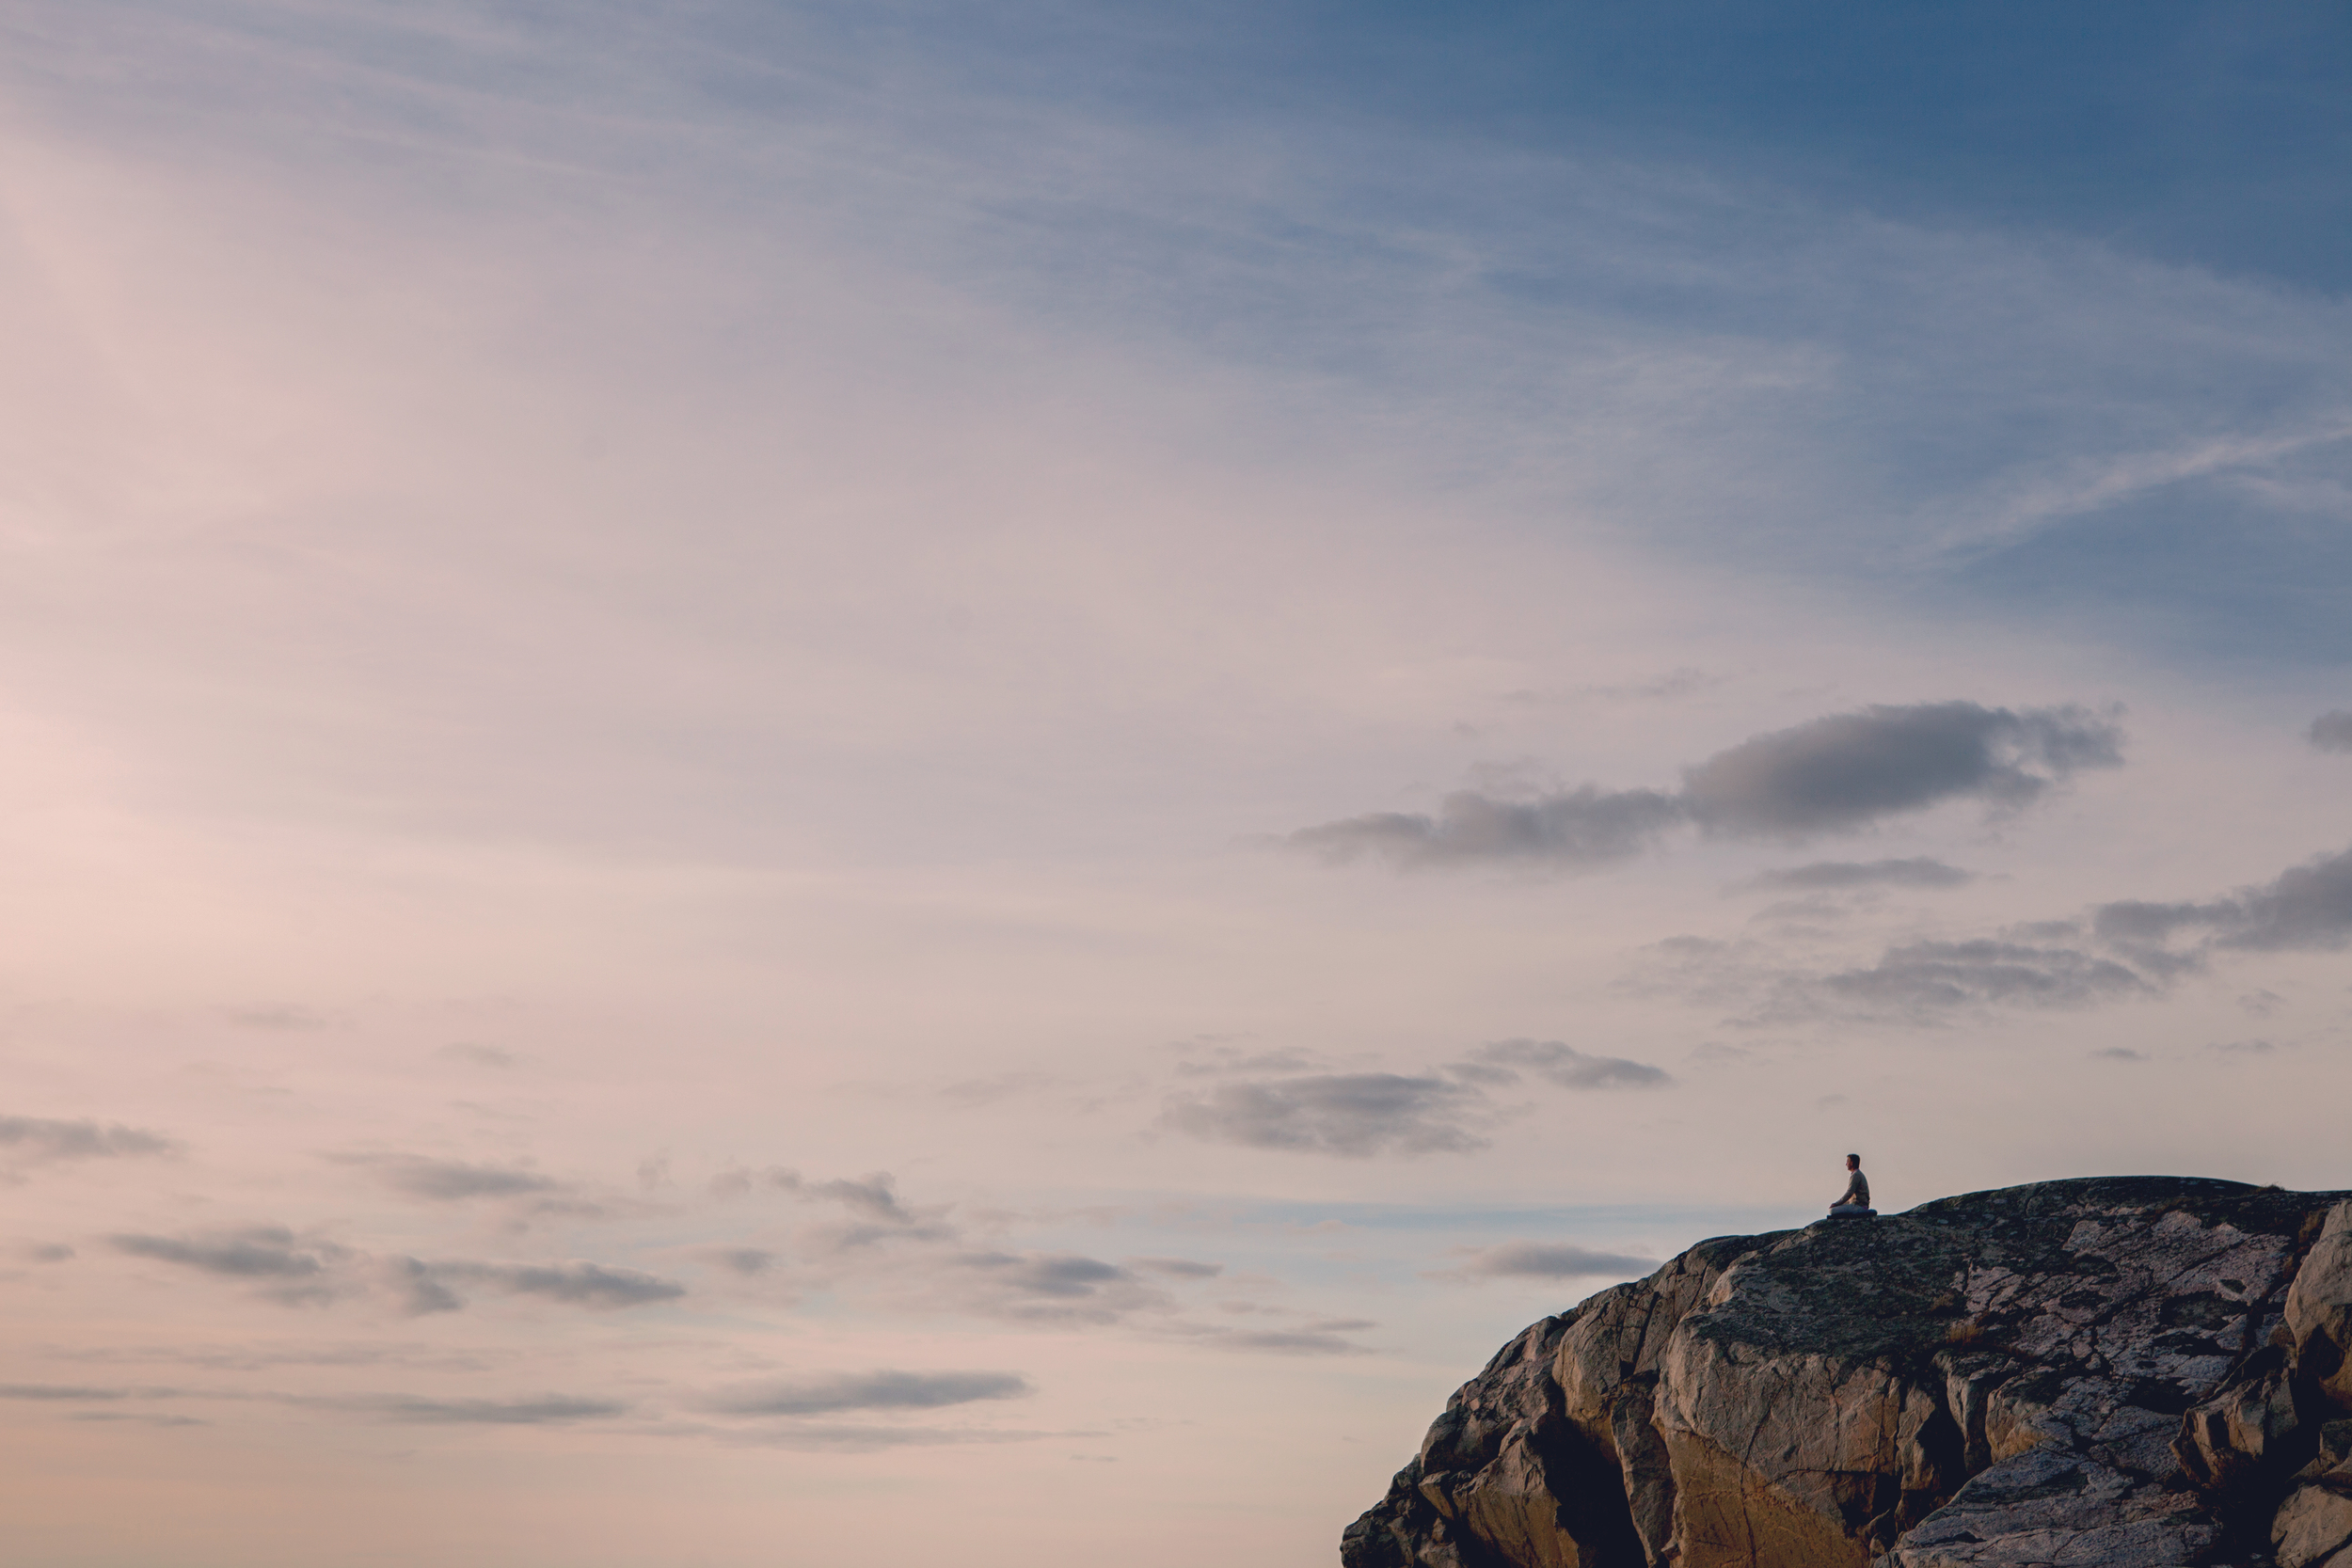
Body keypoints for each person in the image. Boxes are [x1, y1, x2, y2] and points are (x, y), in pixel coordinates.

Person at [1828, 1153, 1874, 1218]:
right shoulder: (1858, 1174)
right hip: (1859, 1205)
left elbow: (1849, 1193)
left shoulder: (1856, 1175)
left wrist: (1836, 1204)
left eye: (1847, 1162)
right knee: (1838, 1207)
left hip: (1858, 1206)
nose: (1846, 1164)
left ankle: (1862, 1212)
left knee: (1832, 1211)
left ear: (1852, 1163)